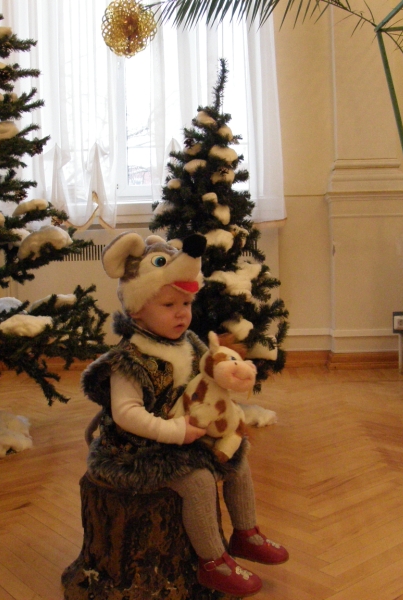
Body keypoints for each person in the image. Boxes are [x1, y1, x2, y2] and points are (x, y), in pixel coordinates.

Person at [81, 232, 288, 597]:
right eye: (168, 305)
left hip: (185, 431)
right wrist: (174, 431)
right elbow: (126, 413)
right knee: (198, 481)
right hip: (138, 448)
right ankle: (212, 561)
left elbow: (210, 371)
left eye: (186, 303)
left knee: (237, 457)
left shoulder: (188, 342)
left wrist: (230, 374)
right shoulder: (129, 359)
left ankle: (245, 533)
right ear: (136, 309)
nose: (181, 313)